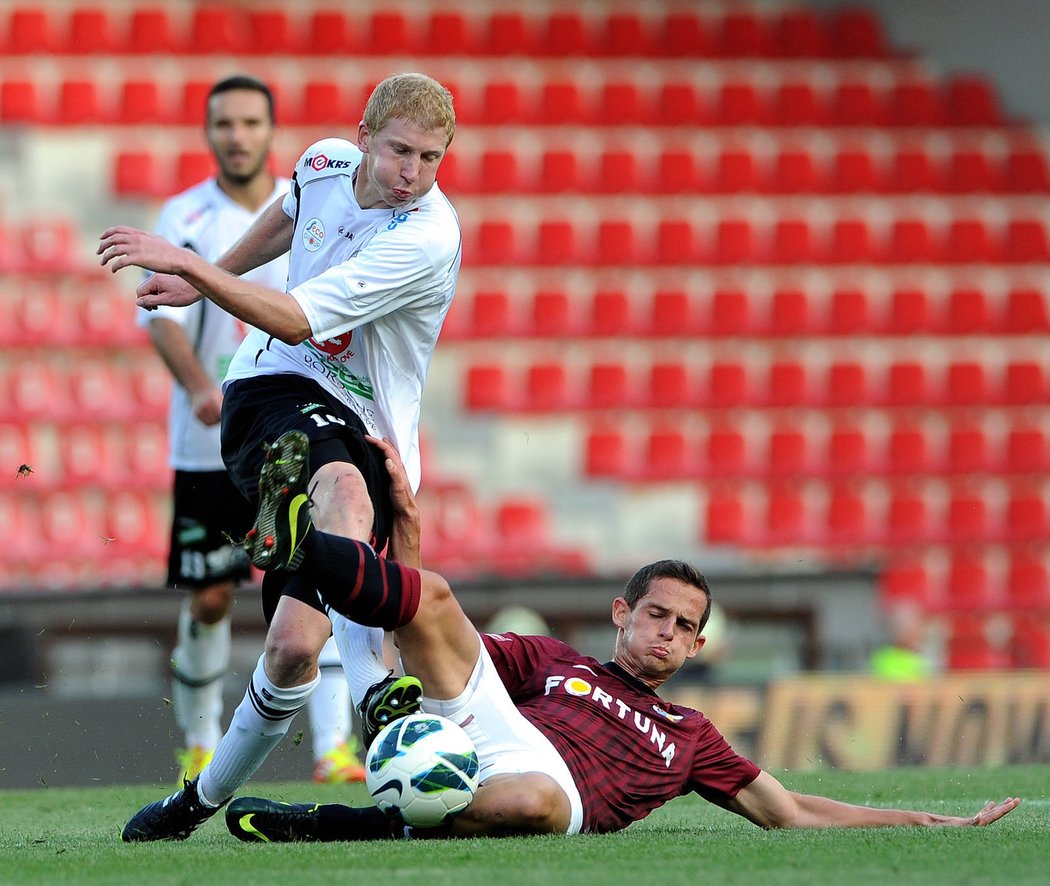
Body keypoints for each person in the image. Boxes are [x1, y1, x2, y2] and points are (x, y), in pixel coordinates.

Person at [213, 434, 1018, 842]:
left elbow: (794, 815)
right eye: (657, 614)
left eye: (685, 627)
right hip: (495, 729)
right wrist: (410, 523)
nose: (667, 633)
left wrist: (927, 824)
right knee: (440, 600)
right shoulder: (553, 663)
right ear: (621, 614)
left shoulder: (691, 736)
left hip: (551, 788)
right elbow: (420, 626)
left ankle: (321, 823)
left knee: (527, 802)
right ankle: (294, 544)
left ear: (698, 648)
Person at [99, 71, 461, 841]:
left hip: (370, 424)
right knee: (344, 496)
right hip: (270, 387)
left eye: (431, 159)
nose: (412, 174)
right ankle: (379, 701)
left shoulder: (428, 235)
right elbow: (290, 217)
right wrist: (210, 277)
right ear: (362, 138)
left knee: (294, 650)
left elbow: (299, 313)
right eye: (399, 151)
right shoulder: (326, 163)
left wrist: (197, 270)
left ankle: (195, 802)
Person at [140, 74, 364, 786]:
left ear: (270, 131)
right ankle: (200, 742)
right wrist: (201, 387)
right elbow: (161, 318)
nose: (237, 136)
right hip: (210, 439)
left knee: (314, 572)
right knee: (211, 595)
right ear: (208, 133)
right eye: (224, 124)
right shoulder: (185, 216)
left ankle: (333, 747)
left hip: (291, 433)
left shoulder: (303, 209)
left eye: (249, 123)